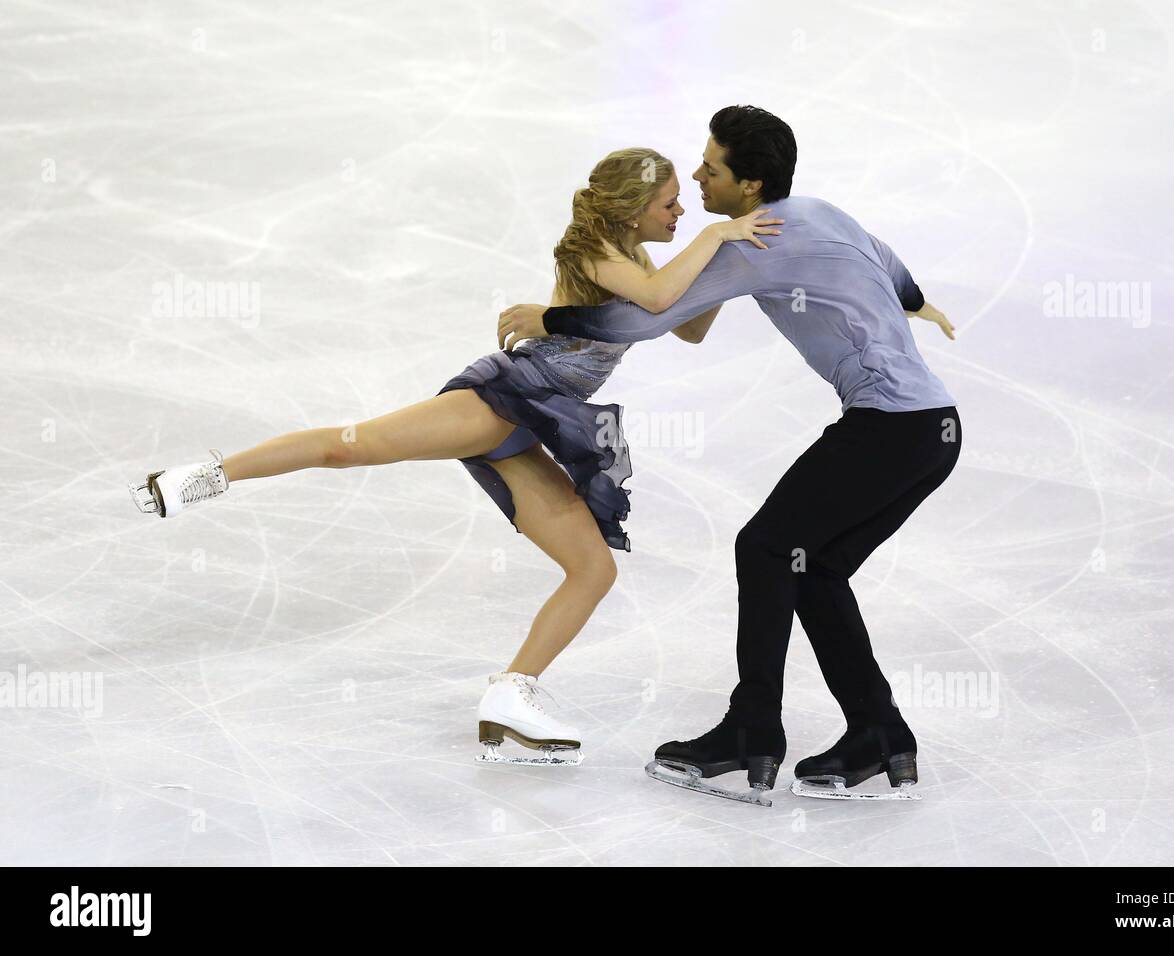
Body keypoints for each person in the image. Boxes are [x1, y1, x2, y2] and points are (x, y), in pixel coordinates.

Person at [127, 147, 781, 766]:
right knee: (349, 447)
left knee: (592, 568)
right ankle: (203, 476)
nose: (680, 212)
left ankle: (511, 694)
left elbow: (687, 321)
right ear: (632, 206)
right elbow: (663, 298)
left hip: (536, 425)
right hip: (503, 400)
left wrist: (734, 265)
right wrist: (719, 236)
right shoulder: (595, 248)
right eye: (668, 202)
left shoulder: (636, 253)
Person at [498, 106, 960, 803]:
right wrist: (917, 304)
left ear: (748, 187)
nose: (695, 176)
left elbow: (646, 317)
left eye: (709, 169)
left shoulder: (755, 243)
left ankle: (751, 734)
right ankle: (879, 733)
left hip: (888, 429)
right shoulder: (820, 212)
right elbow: (891, 267)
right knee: (816, 568)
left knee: (766, 548)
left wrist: (551, 317)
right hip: (933, 430)